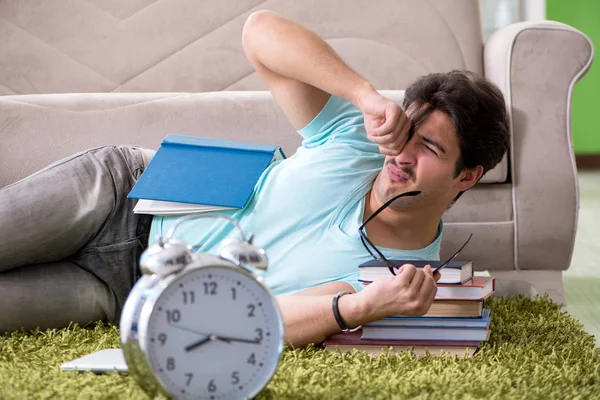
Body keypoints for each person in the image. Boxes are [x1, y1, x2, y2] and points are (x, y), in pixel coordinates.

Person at [0, 11, 509, 348]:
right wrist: (364, 96)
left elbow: (252, 317)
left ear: (467, 176)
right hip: (122, 193)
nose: (401, 154)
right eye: (407, 131)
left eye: (430, 148)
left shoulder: (399, 281)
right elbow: (259, 32)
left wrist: (357, 307)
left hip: (132, 290)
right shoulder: (358, 139)